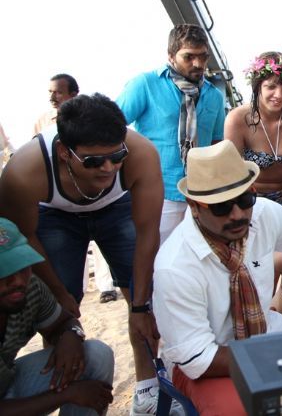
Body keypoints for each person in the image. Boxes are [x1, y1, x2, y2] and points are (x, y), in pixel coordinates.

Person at [152, 140, 282, 415]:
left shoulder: (262, 213)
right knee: (246, 409)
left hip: (267, 333)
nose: (238, 214)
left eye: (245, 199)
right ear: (194, 206)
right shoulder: (175, 266)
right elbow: (199, 360)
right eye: (221, 207)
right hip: (209, 364)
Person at [0, 94, 171, 416]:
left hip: (116, 208)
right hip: (54, 215)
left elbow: (148, 232)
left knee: (145, 304)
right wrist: (60, 293)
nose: (108, 168)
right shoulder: (24, 171)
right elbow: (26, 239)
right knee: (59, 311)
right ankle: (64, 391)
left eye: (116, 156)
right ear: (64, 152)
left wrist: (139, 305)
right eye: (93, 161)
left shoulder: (141, 153)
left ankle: (147, 390)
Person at [117, 23, 226, 244]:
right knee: (155, 254)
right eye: (189, 57)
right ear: (171, 55)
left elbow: (216, 143)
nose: (198, 64)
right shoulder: (145, 84)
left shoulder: (214, 95)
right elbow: (112, 127)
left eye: (203, 57)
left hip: (201, 193)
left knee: (201, 255)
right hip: (158, 192)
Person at [0, 218, 114, 416]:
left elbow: (63, 322)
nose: (17, 280)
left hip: (7, 382)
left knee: (95, 355)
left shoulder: (29, 287)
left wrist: (71, 334)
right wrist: (67, 395)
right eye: (4, 270)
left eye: (22, 266)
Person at [224, 51, 282, 214]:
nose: (279, 95)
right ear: (257, 86)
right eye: (271, 86)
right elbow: (231, 175)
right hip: (250, 198)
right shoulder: (237, 119)